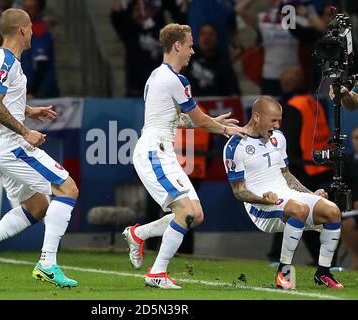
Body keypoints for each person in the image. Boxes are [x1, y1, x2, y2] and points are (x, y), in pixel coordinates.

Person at [0, 8, 79, 289]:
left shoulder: (4, 59)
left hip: (1, 147)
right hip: (12, 146)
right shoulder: (5, 60)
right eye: (31, 27)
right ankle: (48, 264)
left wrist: (29, 111)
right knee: (68, 188)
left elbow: (3, 100)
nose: (34, 32)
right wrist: (26, 131)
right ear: (23, 29)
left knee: (37, 206)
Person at [123, 23, 248, 289]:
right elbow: (199, 119)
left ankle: (138, 234)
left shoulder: (158, 75)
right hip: (154, 152)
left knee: (196, 215)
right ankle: (157, 273)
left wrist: (210, 121)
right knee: (184, 212)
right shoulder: (174, 79)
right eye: (190, 45)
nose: (193, 51)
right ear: (177, 46)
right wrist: (225, 128)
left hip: (161, 151)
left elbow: (176, 119)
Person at [223, 96, 344, 289]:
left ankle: (323, 272)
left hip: (287, 195)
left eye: (279, 120)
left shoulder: (278, 138)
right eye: (273, 120)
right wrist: (261, 198)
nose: (277, 125)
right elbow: (239, 192)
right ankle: (284, 273)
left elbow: (286, 175)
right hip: (259, 207)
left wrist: (312, 194)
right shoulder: (235, 145)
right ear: (256, 116)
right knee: (300, 209)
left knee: (333, 211)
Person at [266, 67, 333, 266]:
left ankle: (278, 256)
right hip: (318, 165)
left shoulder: (294, 105)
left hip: (301, 167)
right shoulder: (314, 101)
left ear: (288, 83)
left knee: (290, 210)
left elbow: (291, 139)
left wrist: (284, 165)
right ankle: (318, 257)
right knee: (305, 213)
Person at [342, 127, 358, 270]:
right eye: (356, 138)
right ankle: (356, 262)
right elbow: (344, 186)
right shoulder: (347, 163)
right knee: (347, 224)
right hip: (354, 210)